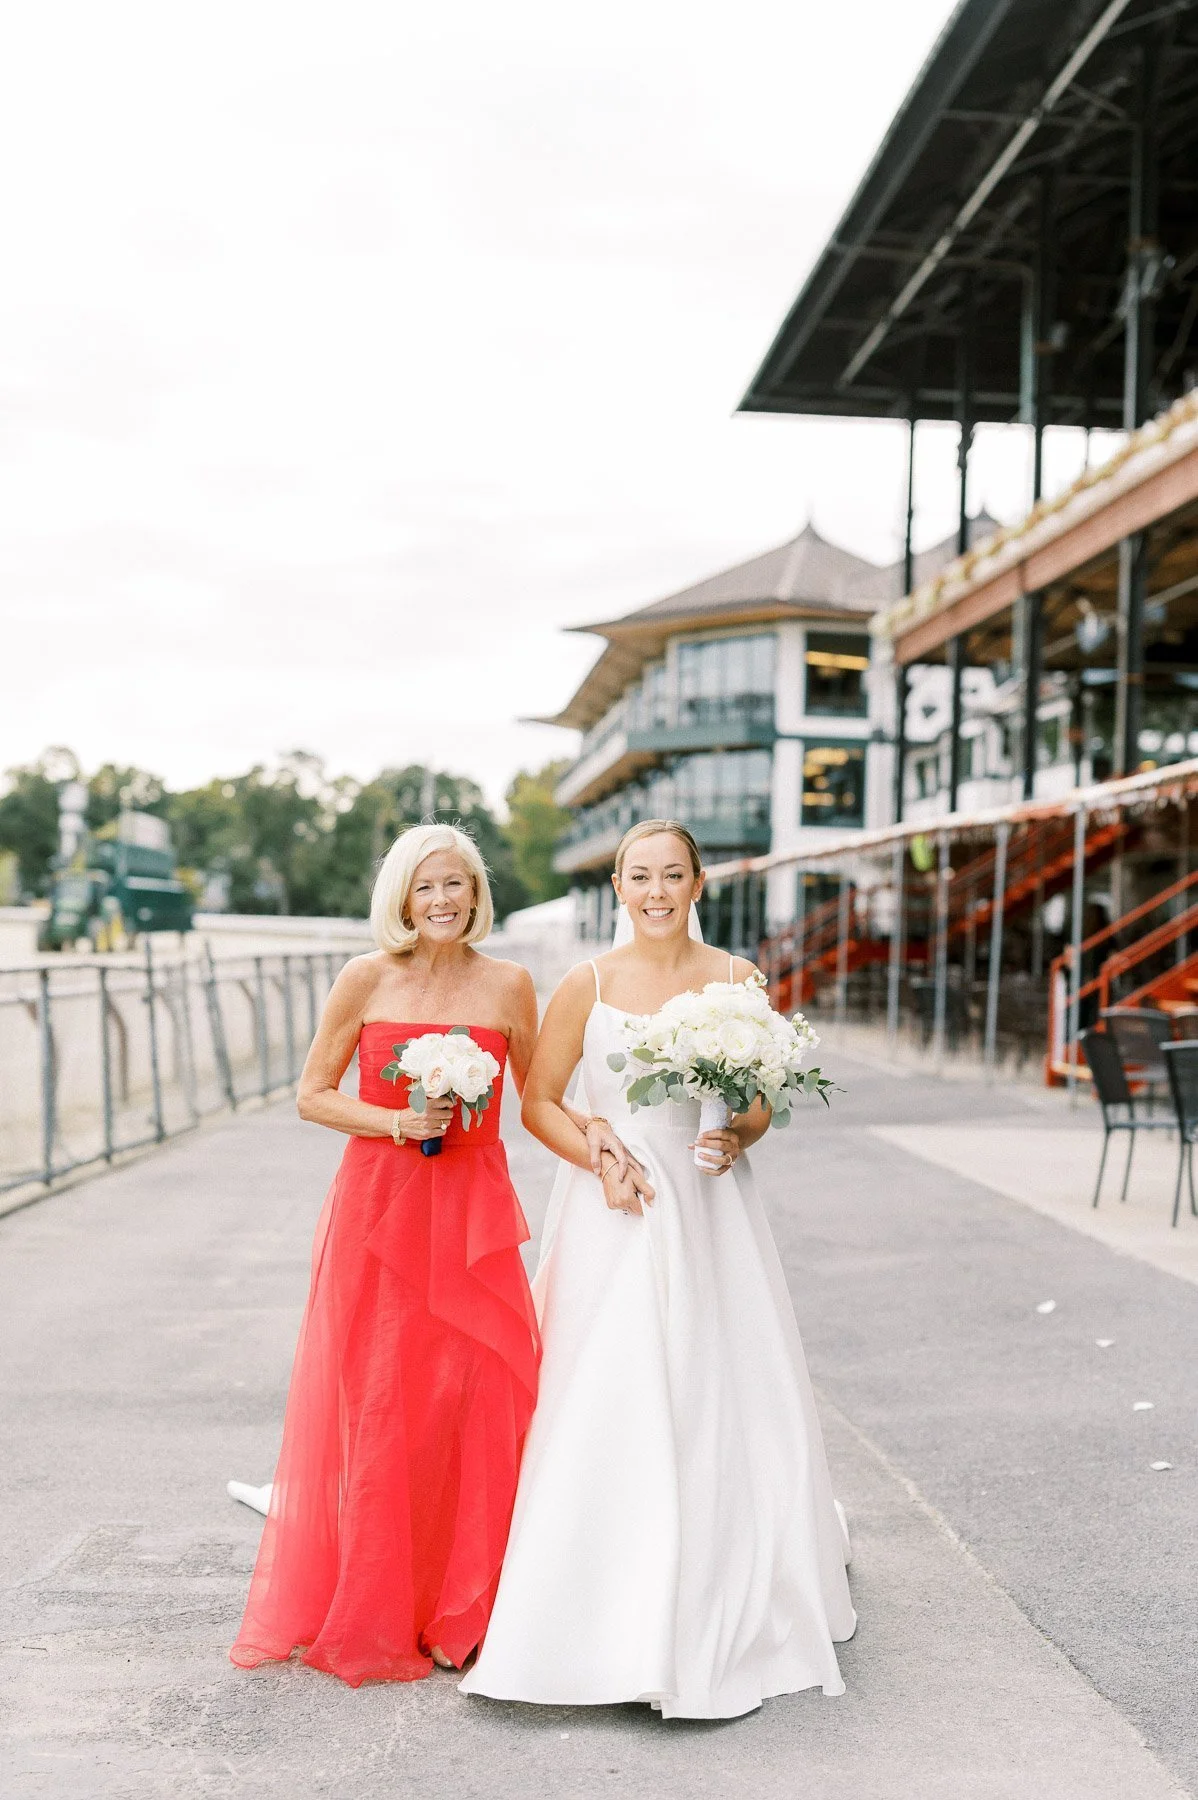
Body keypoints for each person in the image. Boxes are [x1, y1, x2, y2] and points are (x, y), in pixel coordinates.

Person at [460, 818, 855, 1719]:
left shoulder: (737, 980)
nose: (656, 891)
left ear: (698, 883)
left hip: (712, 1203)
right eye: (639, 876)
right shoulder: (583, 984)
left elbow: (757, 1104)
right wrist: (600, 1156)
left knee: (722, 1383)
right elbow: (542, 1104)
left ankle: (723, 1574)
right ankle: (592, 1599)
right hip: (617, 1207)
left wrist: (734, 1132)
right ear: (618, 887)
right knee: (610, 1390)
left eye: (672, 875)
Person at [228, 822, 639, 1685]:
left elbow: (540, 1101)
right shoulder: (366, 978)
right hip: (380, 1212)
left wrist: (603, 1140)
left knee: (479, 1397)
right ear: (401, 899)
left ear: (477, 892)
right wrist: (393, 1121)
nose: (442, 900)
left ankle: (470, 1612)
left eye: (455, 884)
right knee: (384, 1404)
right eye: (425, 887)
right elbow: (312, 1094)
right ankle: (381, 1607)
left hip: (473, 1213)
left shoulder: (509, 983)